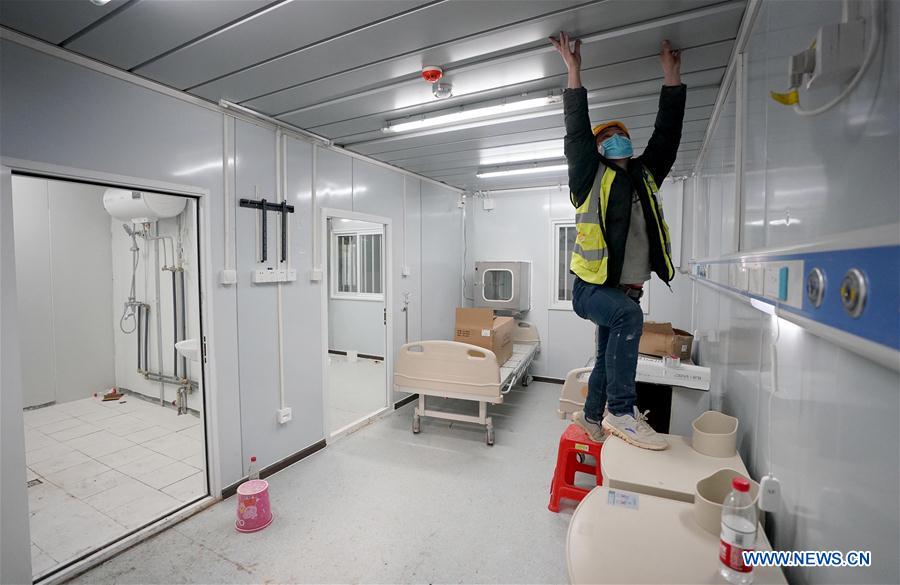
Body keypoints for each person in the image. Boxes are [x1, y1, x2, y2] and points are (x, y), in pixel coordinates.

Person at [549, 32, 685, 450]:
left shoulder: (645, 176)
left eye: (617, 134)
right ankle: (622, 411)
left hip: (626, 289)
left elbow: (667, 137)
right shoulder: (589, 178)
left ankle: (592, 417)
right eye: (604, 137)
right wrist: (574, 72)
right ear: (599, 149)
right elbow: (576, 134)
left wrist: (671, 78)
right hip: (590, 288)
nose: (613, 139)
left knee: (610, 353)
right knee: (629, 319)